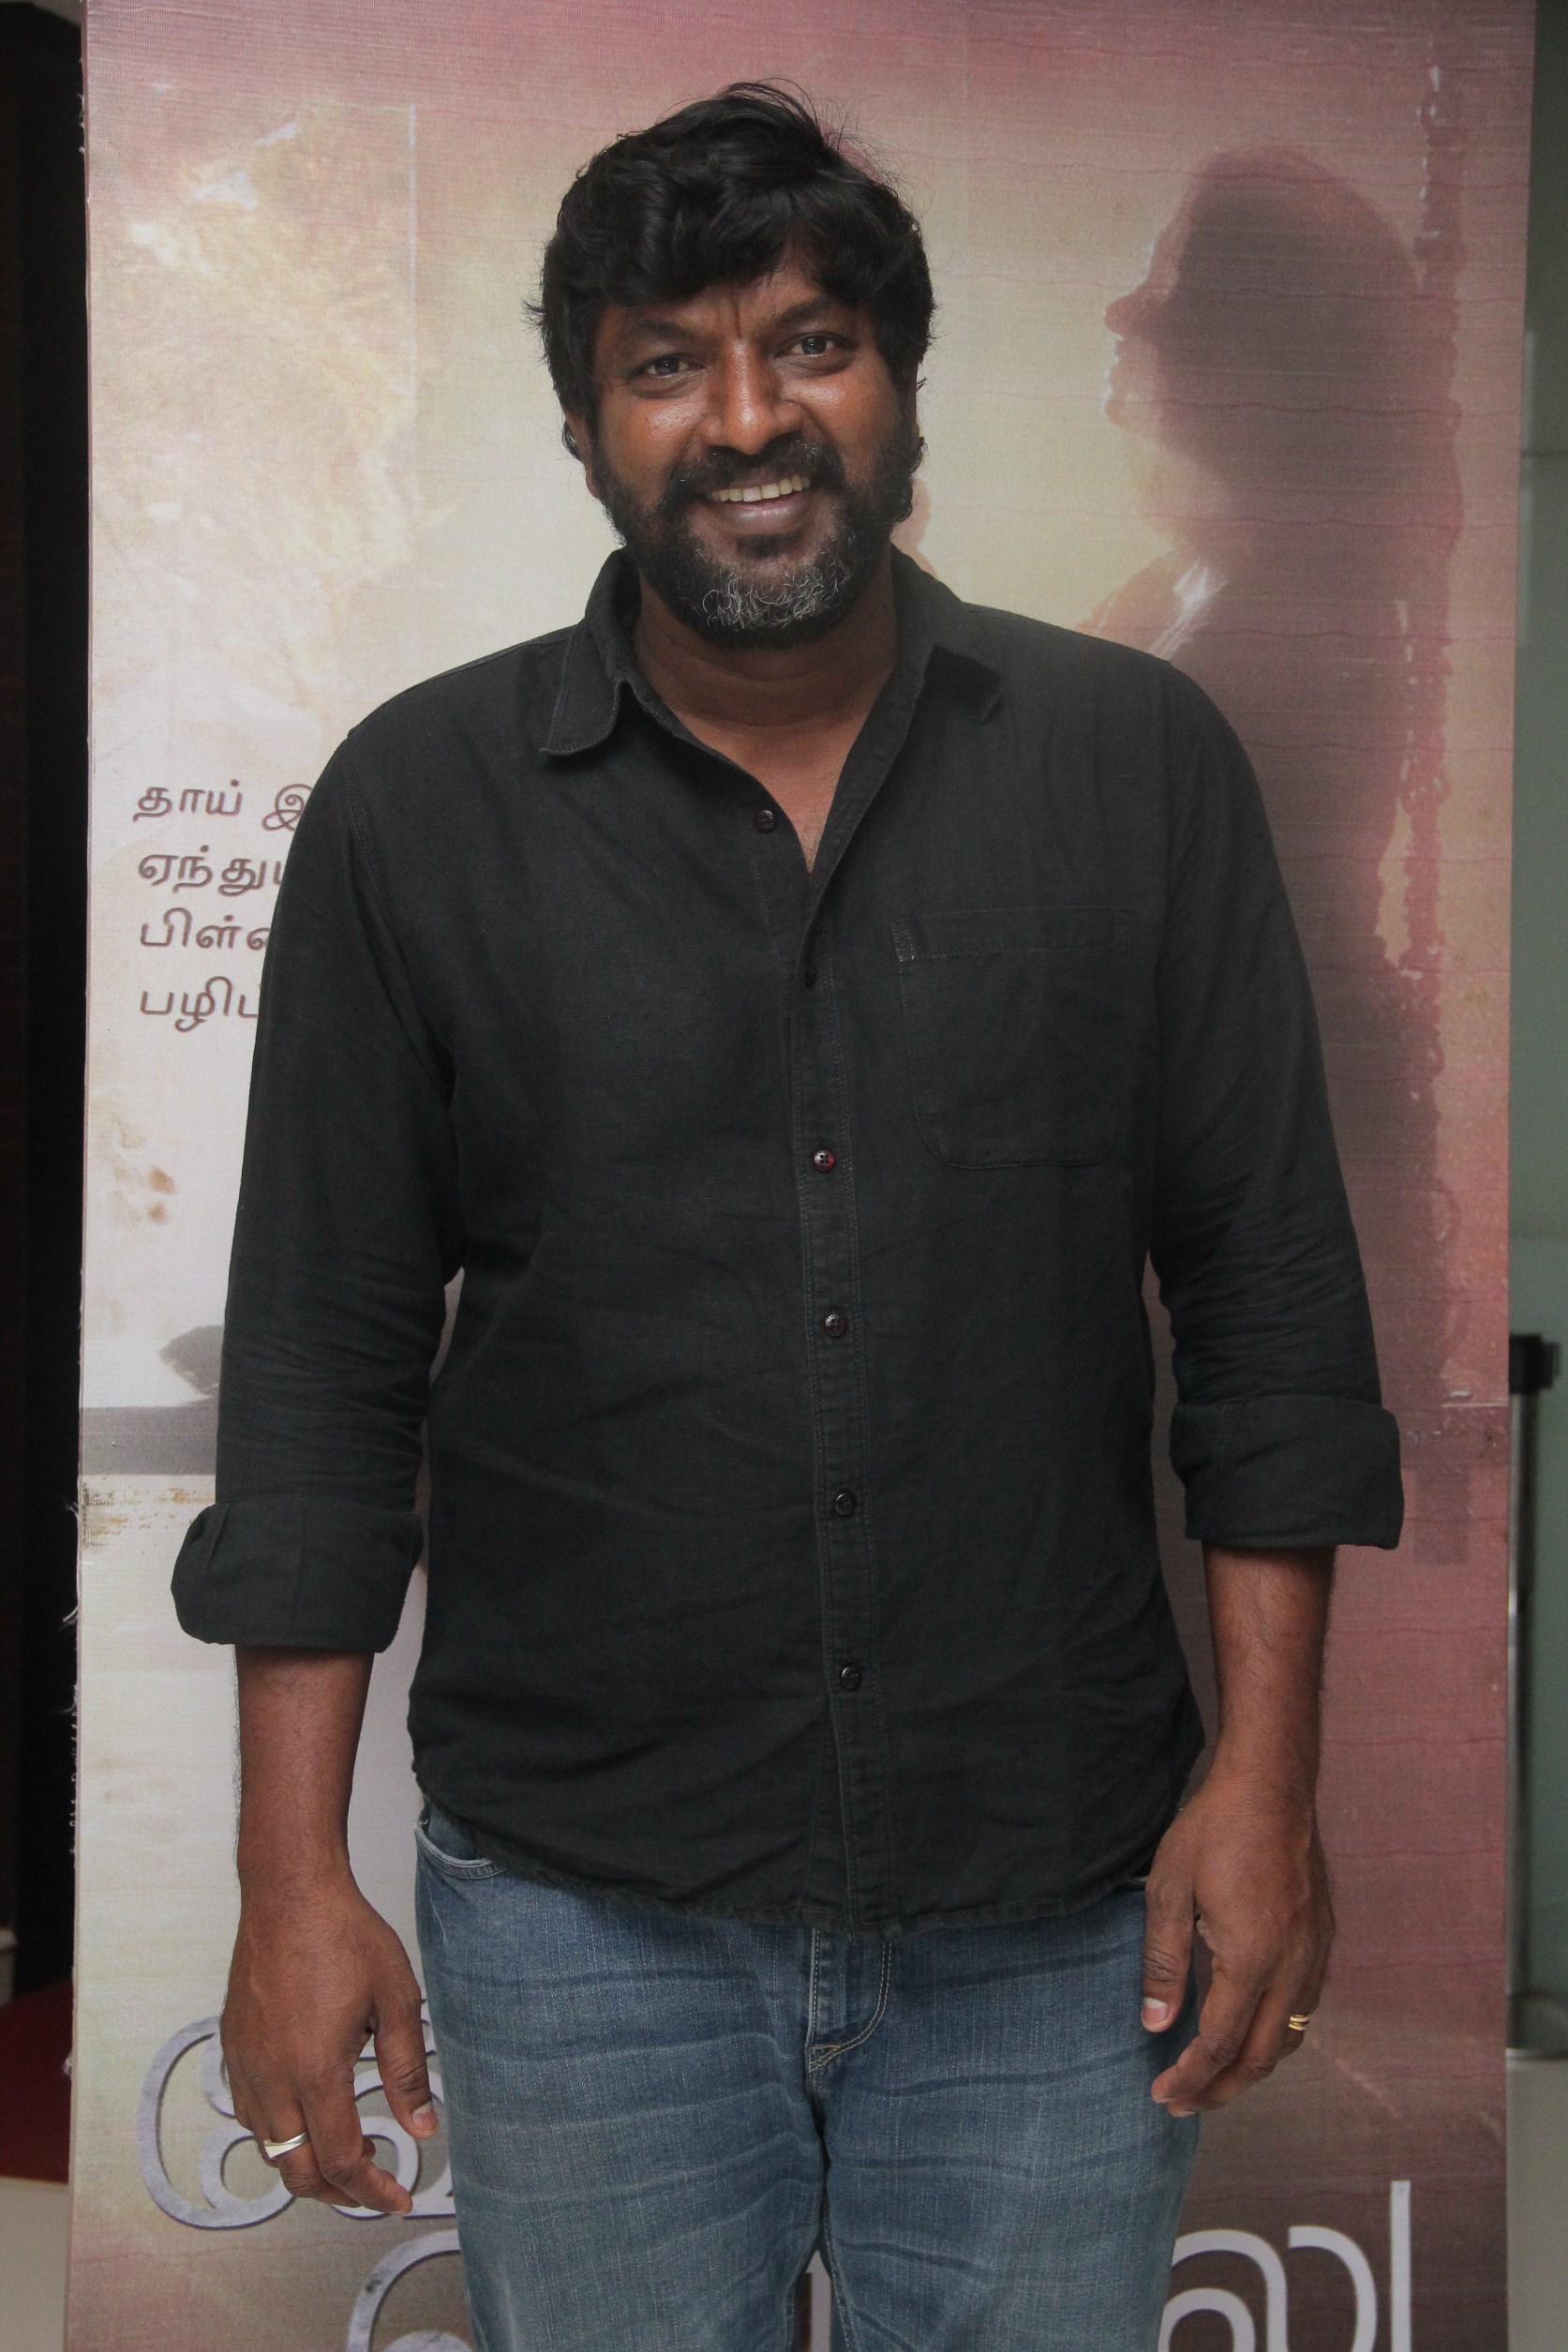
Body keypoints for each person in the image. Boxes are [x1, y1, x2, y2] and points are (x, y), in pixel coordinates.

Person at [172, 83, 1403, 2352]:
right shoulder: (418, 807)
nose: (747, 419)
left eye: (810, 343)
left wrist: (1267, 1782)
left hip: (1062, 1906)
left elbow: (1267, 1309)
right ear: (585, 425)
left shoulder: (1137, 766)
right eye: (669, 362)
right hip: (579, 1916)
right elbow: (324, 1370)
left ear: (902, 384)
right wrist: (288, 1876)